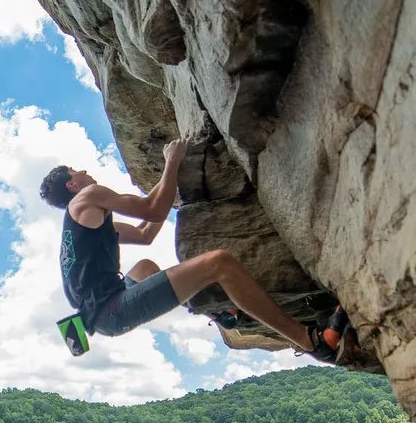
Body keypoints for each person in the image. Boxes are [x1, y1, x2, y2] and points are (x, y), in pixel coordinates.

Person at [40, 141, 350, 362]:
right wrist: (172, 162)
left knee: (145, 266)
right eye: (74, 171)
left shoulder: (87, 225)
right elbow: (151, 208)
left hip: (105, 313)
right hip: (112, 309)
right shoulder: (86, 198)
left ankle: (220, 312)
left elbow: (148, 234)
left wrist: (173, 203)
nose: (82, 171)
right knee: (219, 263)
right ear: (71, 185)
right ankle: (312, 341)